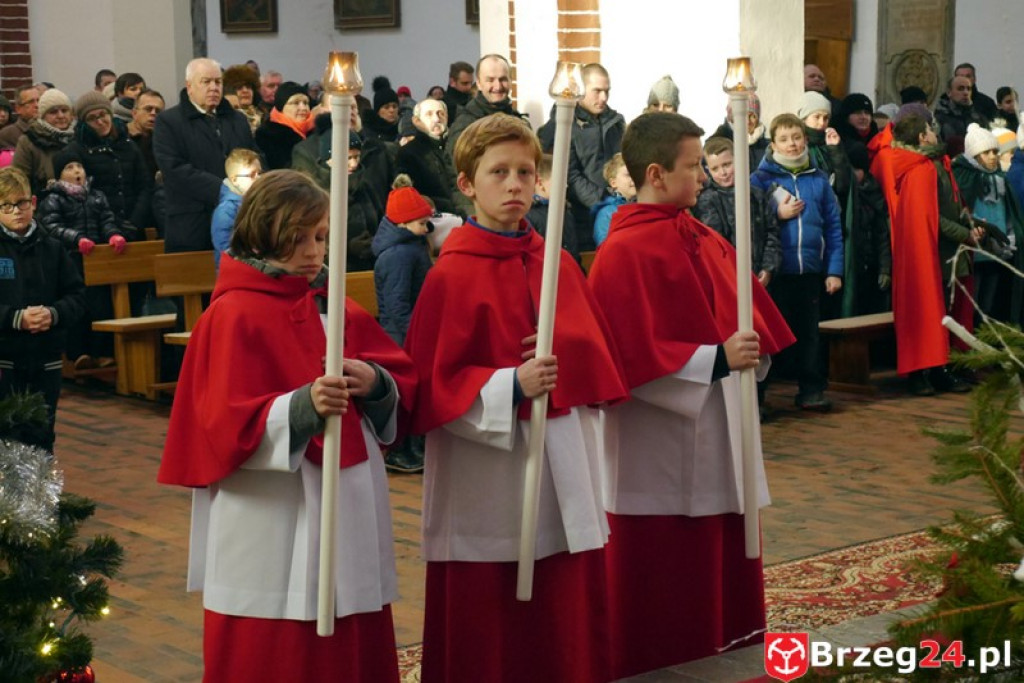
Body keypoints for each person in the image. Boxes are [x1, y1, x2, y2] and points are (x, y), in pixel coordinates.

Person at [157, 169, 416, 682]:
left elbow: (400, 379)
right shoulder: (231, 314)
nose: (312, 251)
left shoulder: (328, 305)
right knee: (273, 646)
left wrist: (375, 380)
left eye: (320, 236)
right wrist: (301, 406)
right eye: (298, 237)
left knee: (350, 627)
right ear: (261, 231)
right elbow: (219, 422)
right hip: (271, 508)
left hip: (346, 496)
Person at [404, 113, 627, 683]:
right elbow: (433, 385)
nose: (514, 185)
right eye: (498, 172)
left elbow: (596, 353)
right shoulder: (450, 276)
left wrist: (569, 358)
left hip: (563, 454)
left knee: (563, 601)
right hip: (487, 469)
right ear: (466, 184)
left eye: (525, 172)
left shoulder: (555, 261)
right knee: (492, 612)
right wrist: (509, 385)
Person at [587, 112, 793, 679]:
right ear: (656, 173)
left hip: (723, 424)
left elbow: (747, 324)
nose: (704, 176)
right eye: (694, 165)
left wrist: (748, 352)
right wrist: (718, 359)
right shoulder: (623, 254)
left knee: (726, 561)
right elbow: (625, 359)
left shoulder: (705, 237)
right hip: (657, 442)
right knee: (668, 580)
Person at [751, 113, 844, 411]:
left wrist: (834, 270)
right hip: (775, 271)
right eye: (784, 139)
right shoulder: (761, 179)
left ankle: (811, 389)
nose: (791, 144)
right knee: (767, 334)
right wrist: (777, 215)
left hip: (809, 270)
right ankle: (758, 395)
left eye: (796, 137)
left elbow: (833, 227)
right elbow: (750, 222)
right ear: (773, 144)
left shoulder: (817, 179)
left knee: (809, 335)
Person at [888, 114, 979, 396]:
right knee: (927, 313)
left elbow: (951, 204)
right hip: (932, 255)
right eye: (930, 129)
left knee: (945, 313)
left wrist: (969, 223)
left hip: (947, 253)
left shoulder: (938, 164)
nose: (934, 132)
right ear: (921, 137)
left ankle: (943, 367)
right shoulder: (920, 170)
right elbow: (931, 219)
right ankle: (923, 372)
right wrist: (964, 233)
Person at [0, 167, 86, 452]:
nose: (16, 211)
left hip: (45, 358)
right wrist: (15, 318)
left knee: (41, 435)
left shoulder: (52, 248)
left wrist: (53, 314)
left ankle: (39, 497)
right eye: (6, 205)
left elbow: (76, 296)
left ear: (33, 203)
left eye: (22, 203)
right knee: (7, 436)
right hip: (5, 359)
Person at [153, 57, 257, 253]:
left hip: (239, 222)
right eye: (206, 81)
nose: (213, 87)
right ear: (189, 86)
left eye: (218, 82)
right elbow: (174, 168)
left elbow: (254, 156)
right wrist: (224, 189)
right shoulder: (169, 122)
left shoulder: (237, 120)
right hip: (192, 224)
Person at [36, 148, 126, 369]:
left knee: (102, 305)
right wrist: (76, 238)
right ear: (59, 175)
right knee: (78, 306)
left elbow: (106, 219)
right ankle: (79, 353)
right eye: (69, 168)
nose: (77, 171)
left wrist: (113, 234)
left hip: (96, 258)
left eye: (79, 166)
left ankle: (102, 351)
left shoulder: (96, 195)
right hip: (71, 259)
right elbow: (52, 226)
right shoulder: (54, 198)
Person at [371, 179, 433, 474]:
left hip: (405, 333)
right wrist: (414, 337)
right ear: (406, 222)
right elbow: (397, 305)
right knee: (407, 395)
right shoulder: (399, 254)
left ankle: (412, 447)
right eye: (423, 223)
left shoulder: (409, 246)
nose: (427, 228)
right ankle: (402, 450)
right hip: (401, 337)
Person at [952, 124, 1024, 324]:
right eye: (986, 152)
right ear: (974, 155)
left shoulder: (1002, 180)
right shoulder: (962, 178)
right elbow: (959, 211)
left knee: (990, 305)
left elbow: (1010, 213)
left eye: (995, 151)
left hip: (997, 253)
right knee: (972, 305)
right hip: (973, 253)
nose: (993, 156)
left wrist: (1010, 237)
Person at [693, 136, 780, 288]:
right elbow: (715, 242)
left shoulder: (756, 195)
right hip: (728, 278)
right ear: (708, 170)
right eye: (715, 168)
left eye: (727, 164)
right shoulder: (707, 200)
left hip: (760, 276)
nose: (723, 172)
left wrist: (768, 268)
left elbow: (772, 232)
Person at [68, 91, 153, 235]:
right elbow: (82, 196)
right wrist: (111, 224)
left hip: (133, 225)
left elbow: (145, 185)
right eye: (92, 118)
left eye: (103, 115)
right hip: (98, 231)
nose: (100, 121)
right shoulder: (77, 150)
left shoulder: (128, 145)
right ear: (83, 123)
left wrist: (135, 221)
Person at [445, 55, 528, 159]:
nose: (498, 86)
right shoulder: (466, 125)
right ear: (479, 84)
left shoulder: (519, 122)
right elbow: (455, 168)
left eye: (503, 79)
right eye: (490, 80)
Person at [396, 99, 460, 215]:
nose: (436, 119)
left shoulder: (459, 145)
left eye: (441, 113)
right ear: (416, 121)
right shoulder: (409, 153)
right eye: (429, 114)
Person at [12, 88, 75, 196]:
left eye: (64, 110)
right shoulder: (28, 141)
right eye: (53, 112)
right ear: (42, 116)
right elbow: (18, 182)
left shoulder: (78, 137)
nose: (60, 116)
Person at [525, 153, 581, 262]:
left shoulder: (566, 212)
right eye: (560, 181)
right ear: (540, 184)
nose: (566, 185)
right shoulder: (528, 217)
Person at [211, 148, 261, 268]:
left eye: (260, 173)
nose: (258, 178)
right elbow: (226, 250)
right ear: (235, 180)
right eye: (252, 175)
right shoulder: (226, 211)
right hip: (236, 272)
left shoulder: (258, 203)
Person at [254, 81, 314, 170]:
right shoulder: (268, 136)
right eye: (296, 103)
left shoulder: (315, 132)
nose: (303, 108)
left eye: (305, 103)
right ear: (281, 107)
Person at [710, 91, 771, 170]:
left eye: (752, 116)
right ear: (732, 118)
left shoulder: (769, 147)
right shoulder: (716, 145)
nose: (748, 121)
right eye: (743, 115)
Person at [934, 75, 991, 158]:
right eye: (960, 89)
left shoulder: (979, 118)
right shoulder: (939, 119)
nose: (965, 93)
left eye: (968, 89)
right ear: (949, 92)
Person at [592, 152, 636, 247]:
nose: (634, 178)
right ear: (613, 182)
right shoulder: (606, 213)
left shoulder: (645, 205)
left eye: (635, 173)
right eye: (628, 175)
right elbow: (605, 247)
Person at [223, 64, 264, 134]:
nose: (245, 91)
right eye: (239, 87)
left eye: (248, 87)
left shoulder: (264, 116)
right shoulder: (225, 118)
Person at [0, 85, 41, 150]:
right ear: (18, 109)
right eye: (31, 102)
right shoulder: (7, 135)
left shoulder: (50, 130)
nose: (37, 105)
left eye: (39, 101)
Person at [362, 77, 400, 144]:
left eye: (394, 106)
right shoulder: (367, 132)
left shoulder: (403, 131)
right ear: (378, 111)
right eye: (386, 107)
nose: (391, 110)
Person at [443, 60, 474, 126]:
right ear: (452, 82)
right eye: (464, 83)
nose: (469, 87)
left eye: (471, 83)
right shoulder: (444, 106)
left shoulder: (474, 100)